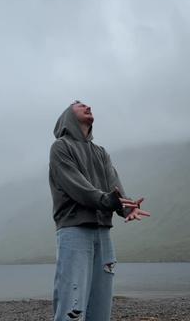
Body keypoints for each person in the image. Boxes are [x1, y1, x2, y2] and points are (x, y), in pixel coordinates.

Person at [49, 100, 150, 321]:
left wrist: (126, 207)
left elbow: (114, 187)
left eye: (87, 104)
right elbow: (78, 188)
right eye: (79, 105)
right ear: (67, 116)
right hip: (74, 231)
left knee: (101, 305)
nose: (87, 106)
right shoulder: (61, 147)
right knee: (71, 305)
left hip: (103, 233)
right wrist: (110, 200)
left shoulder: (101, 152)